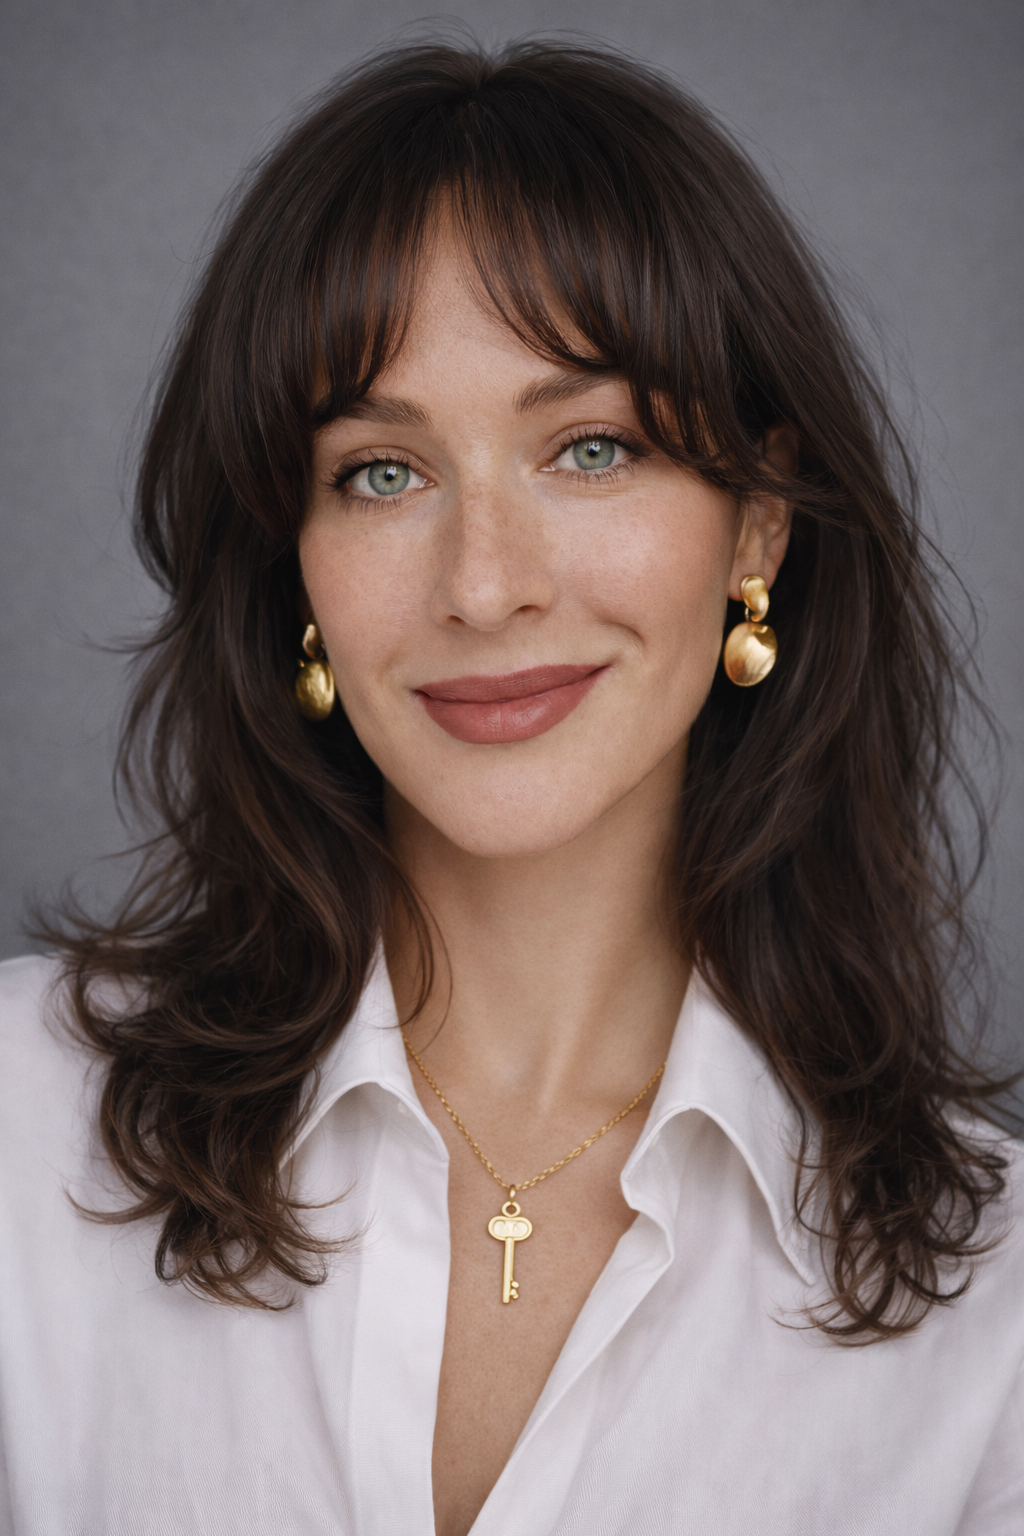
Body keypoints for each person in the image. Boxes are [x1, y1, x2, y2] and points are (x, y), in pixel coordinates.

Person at [0, 37, 1020, 1536]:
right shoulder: (21, 1132)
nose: (484, 586)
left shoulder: (995, 1311)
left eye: (590, 447)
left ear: (760, 533)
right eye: (382, 472)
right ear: (295, 565)